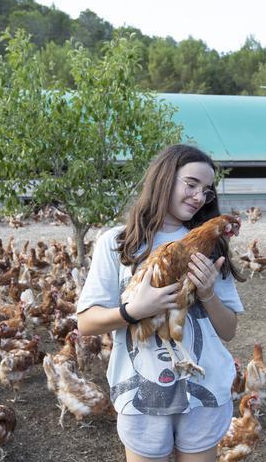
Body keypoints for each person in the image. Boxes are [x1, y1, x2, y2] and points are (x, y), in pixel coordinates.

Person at [77, 144, 245, 462]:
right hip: (142, 394)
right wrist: (134, 311)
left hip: (204, 390)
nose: (199, 197)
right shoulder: (117, 242)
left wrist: (207, 293)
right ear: (164, 178)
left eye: (206, 191)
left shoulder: (211, 245)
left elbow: (229, 330)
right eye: (191, 184)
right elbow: (86, 322)